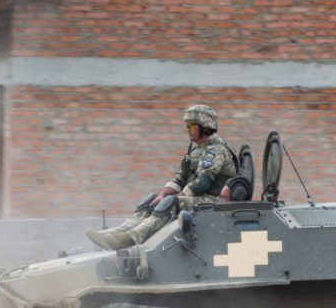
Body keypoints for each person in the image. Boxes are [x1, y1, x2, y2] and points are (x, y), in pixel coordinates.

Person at [87, 105, 237, 250]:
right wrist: (163, 194)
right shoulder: (196, 150)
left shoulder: (215, 151)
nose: (187, 131)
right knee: (151, 201)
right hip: (197, 197)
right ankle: (116, 233)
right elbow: (181, 176)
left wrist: (175, 197)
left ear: (204, 127)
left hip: (213, 200)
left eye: (191, 127)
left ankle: (129, 239)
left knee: (171, 203)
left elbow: (203, 183)